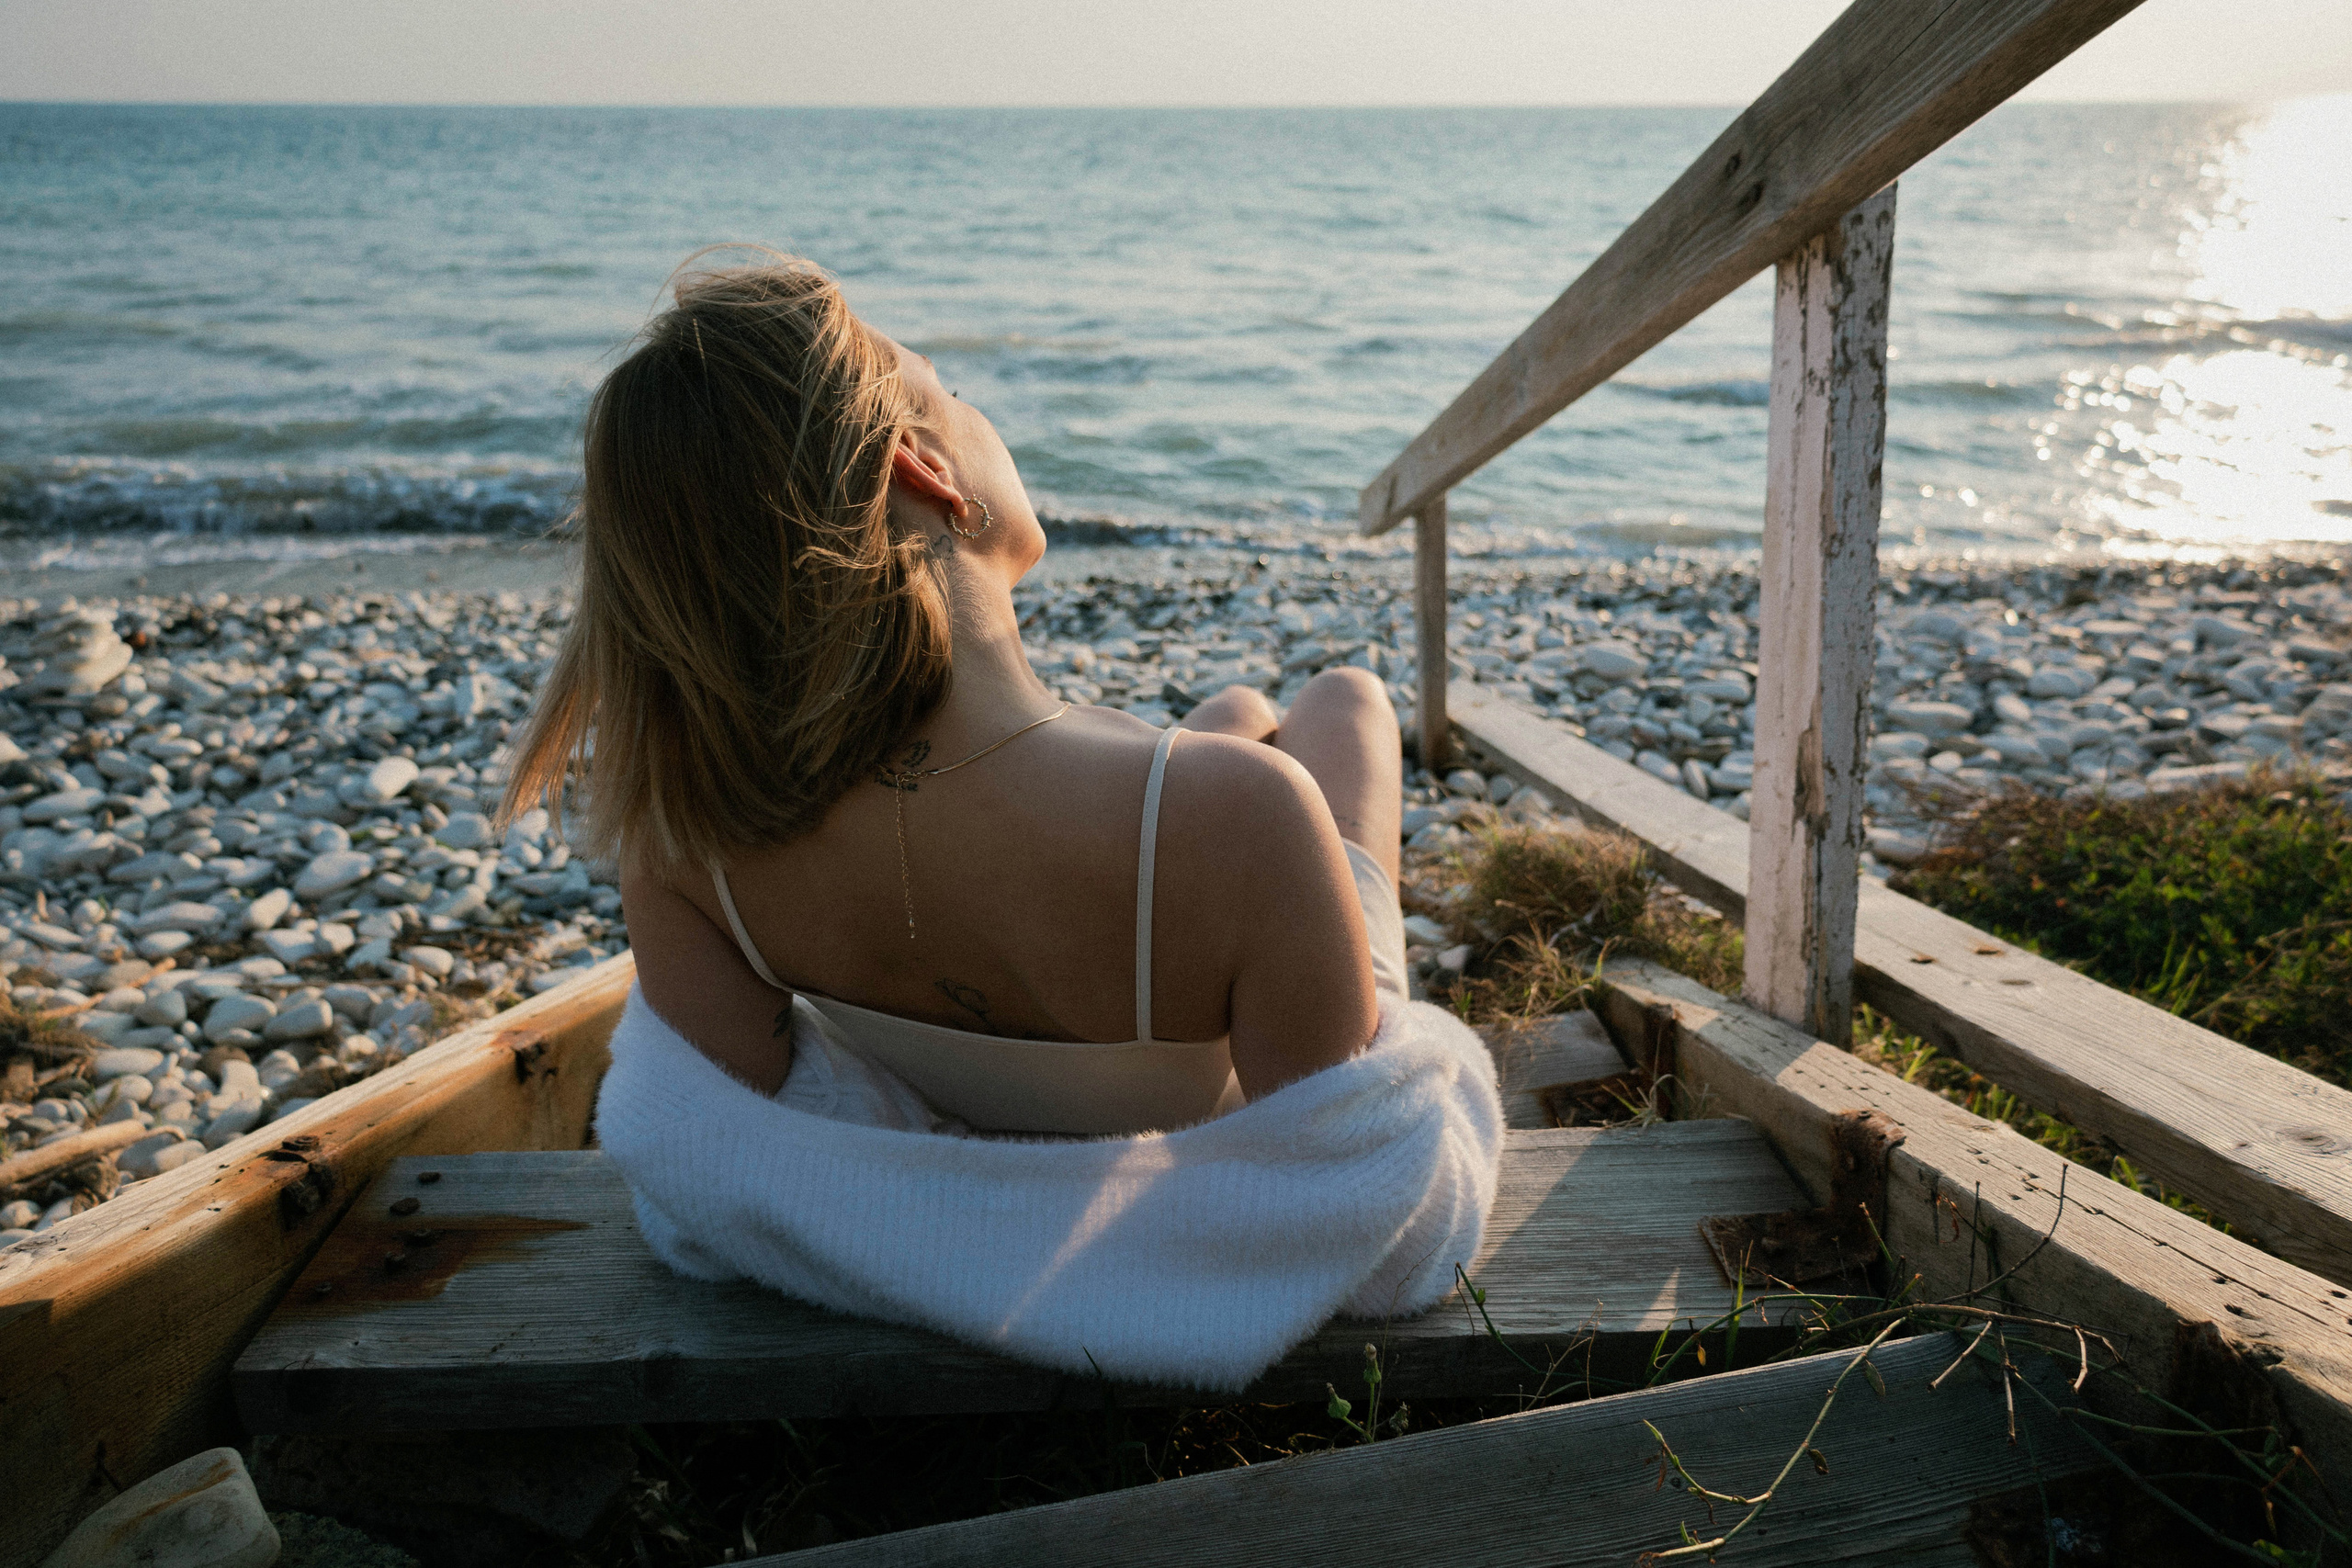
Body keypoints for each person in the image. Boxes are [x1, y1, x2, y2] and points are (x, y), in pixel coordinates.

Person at [504, 254, 1408, 1134]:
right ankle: (1263, 728)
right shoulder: (1250, 820)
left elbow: (732, 1136)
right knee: (1345, 699)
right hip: (1188, 1020)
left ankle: (1235, 721)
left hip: (1109, 855)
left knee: (1232, 718)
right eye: (954, 391)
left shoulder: (681, 843)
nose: (980, 414)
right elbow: (1332, 1165)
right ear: (924, 467)